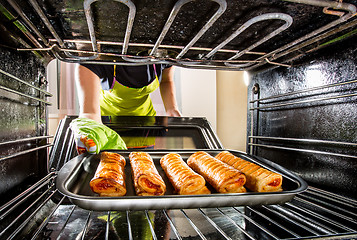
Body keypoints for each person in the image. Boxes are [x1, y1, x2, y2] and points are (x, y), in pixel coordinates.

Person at [69, 63, 181, 154]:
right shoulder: (97, 60)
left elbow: (167, 80)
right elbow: (89, 112)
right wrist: (90, 131)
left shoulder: (161, 56)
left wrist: (172, 109)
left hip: (145, 125)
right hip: (107, 126)